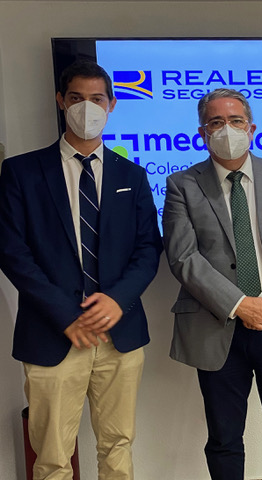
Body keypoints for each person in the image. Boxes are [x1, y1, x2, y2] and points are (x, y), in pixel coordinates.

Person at [0, 60, 163, 479]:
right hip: (52, 333)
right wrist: (66, 314)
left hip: (119, 333)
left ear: (111, 105)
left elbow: (148, 248)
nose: (86, 108)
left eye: (96, 99)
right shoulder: (21, 171)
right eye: (76, 98)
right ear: (61, 101)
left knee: (118, 447)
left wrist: (117, 300)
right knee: (52, 457)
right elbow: (12, 251)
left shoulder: (132, 175)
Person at [162, 88, 262, 480]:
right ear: (202, 133)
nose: (226, 129)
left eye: (235, 121)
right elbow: (183, 257)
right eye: (216, 122)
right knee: (225, 439)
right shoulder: (182, 184)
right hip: (218, 326)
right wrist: (239, 304)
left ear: (252, 128)